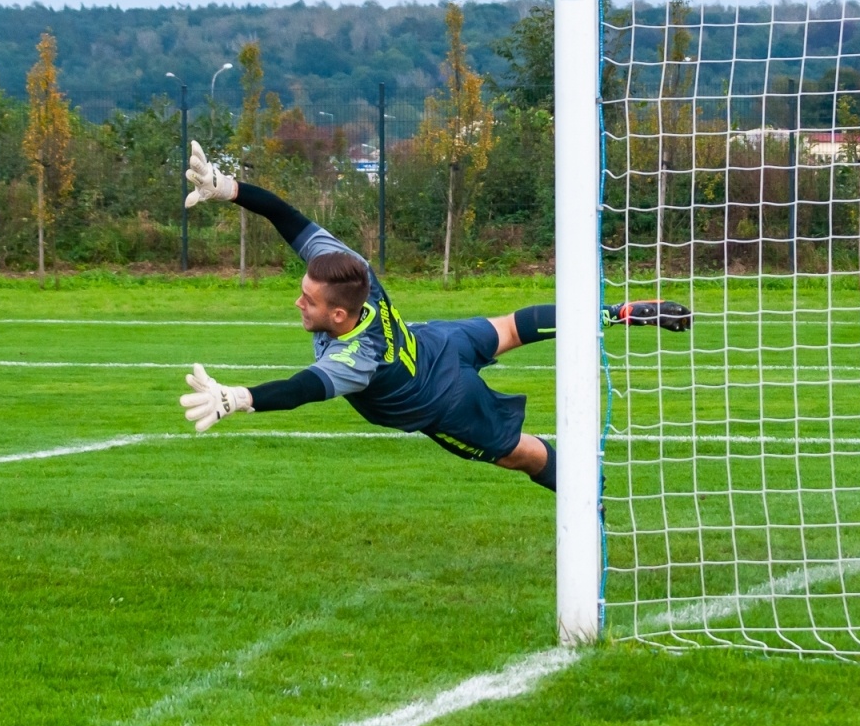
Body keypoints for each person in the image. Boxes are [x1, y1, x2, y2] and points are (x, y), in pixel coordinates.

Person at [176, 143, 689, 491]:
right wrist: (227, 188)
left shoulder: (356, 357)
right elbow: (288, 218)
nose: (298, 301)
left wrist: (238, 399)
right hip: (437, 344)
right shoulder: (356, 272)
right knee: (511, 326)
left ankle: (588, 496)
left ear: (337, 313)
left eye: (306, 300)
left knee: (521, 454)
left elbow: (300, 389)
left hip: (443, 401)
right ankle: (619, 312)